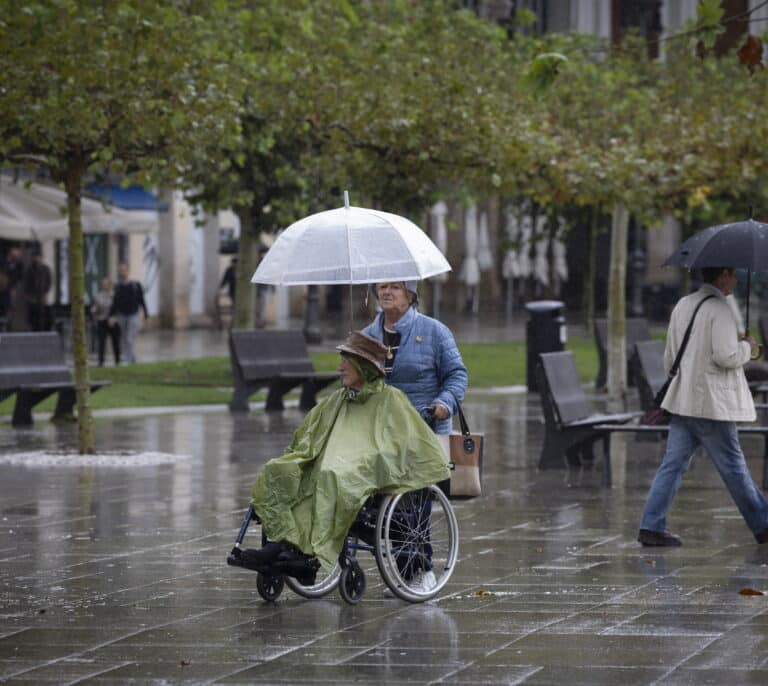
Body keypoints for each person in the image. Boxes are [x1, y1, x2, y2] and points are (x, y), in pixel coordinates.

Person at [231, 331, 450, 585]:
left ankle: (305, 551)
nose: (339, 367)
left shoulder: (391, 400)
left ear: (363, 366)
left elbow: (406, 443)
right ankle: (282, 542)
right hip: (328, 462)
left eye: (346, 361)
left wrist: (368, 456)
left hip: (362, 469)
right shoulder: (338, 399)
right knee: (280, 470)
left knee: (329, 475)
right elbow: (311, 431)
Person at [638, 266, 768, 547]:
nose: (735, 278)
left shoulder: (684, 304)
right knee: (733, 467)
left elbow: (670, 356)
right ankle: (763, 524)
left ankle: (651, 524)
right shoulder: (720, 309)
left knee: (672, 466)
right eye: (732, 273)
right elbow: (725, 356)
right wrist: (747, 347)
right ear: (722, 276)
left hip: (684, 401)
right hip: (712, 404)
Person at [362, 281, 468, 435]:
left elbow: (457, 375)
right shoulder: (365, 337)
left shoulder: (435, 331)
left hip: (426, 433)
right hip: (379, 433)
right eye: (382, 287)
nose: (387, 292)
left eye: (395, 287)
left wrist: (445, 403)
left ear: (410, 296)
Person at [109, 262, 148, 364]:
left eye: (123, 270)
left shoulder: (135, 285)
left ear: (128, 271)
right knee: (124, 338)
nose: (122, 272)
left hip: (133, 315)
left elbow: (142, 300)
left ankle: (128, 360)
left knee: (130, 338)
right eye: (120, 270)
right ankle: (132, 358)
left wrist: (145, 313)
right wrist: (111, 316)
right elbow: (115, 302)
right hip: (122, 315)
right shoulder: (118, 286)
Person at [91, 276, 120, 366]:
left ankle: (117, 361)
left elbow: (118, 309)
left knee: (115, 342)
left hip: (113, 321)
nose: (105, 286)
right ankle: (101, 361)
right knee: (101, 342)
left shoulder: (115, 295)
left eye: (107, 284)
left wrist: (114, 319)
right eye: (103, 284)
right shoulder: (99, 296)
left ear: (110, 285)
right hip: (102, 320)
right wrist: (94, 310)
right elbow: (96, 307)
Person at [22, 248, 52, 331]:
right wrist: (30, 296)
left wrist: (44, 293)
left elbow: (48, 283)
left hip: (42, 298)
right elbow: (26, 284)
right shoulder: (29, 270)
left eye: (38, 257)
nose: (37, 259)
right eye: (35, 257)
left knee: (45, 318)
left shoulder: (45, 269)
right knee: (33, 319)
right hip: (33, 299)